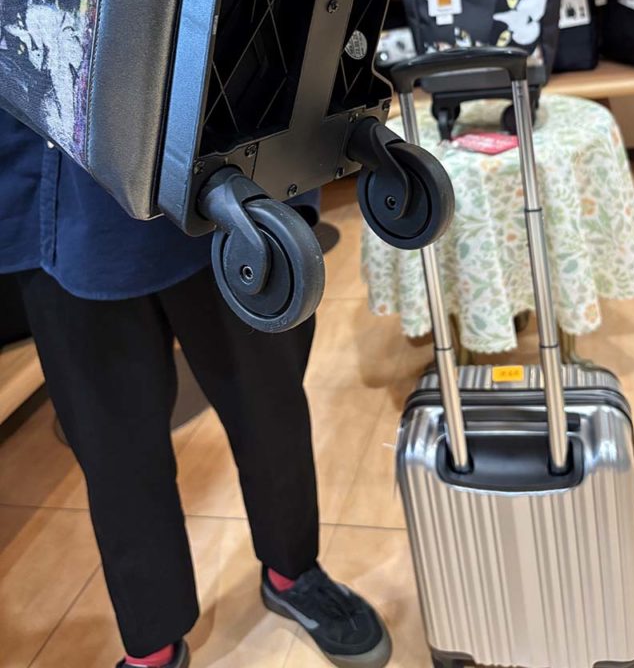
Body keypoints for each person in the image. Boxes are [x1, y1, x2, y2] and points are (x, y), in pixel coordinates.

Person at [0, 107, 392, 668]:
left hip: (218, 173)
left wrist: (298, 168)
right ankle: (153, 639)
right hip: (59, 201)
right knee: (113, 453)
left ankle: (292, 572)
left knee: (269, 408)